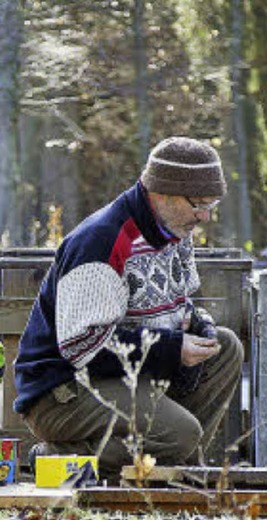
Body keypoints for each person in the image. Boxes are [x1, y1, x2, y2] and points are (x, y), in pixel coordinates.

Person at [14, 136, 244, 483]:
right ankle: (59, 458)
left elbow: (181, 303)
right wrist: (170, 348)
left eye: (211, 204)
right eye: (198, 204)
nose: (205, 216)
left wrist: (199, 325)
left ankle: (175, 465)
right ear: (162, 192)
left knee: (225, 347)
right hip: (63, 390)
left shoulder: (175, 232)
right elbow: (82, 347)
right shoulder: (102, 241)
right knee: (180, 433)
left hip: (123, 377)